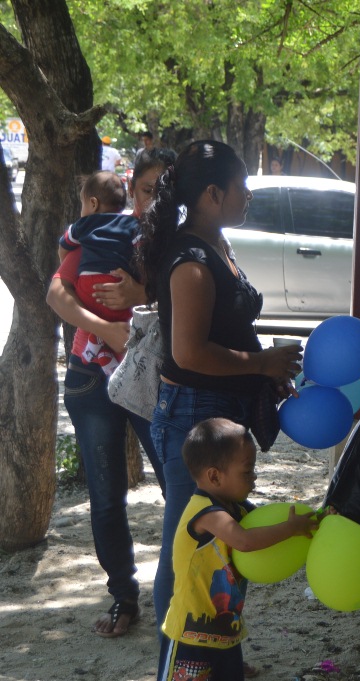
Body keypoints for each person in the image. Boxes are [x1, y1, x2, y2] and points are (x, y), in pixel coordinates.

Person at [137, 140, 302, 666]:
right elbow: (189, 353)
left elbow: (227, 329)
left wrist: (265, 369)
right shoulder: (190, 261)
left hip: (219, 409)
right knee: (186, 551)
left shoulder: (216, 244)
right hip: (193, 413)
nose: (249, 194)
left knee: (219, 547)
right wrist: (260, 365)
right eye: (242, 186)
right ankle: (179, 665)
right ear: (212, 194)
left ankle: (212, 654)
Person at [46, 148, 176, 639]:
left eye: (165, 192)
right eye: (146, 191)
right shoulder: (108, 231)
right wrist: (107, 327)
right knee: (105, 497)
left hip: (151, 377)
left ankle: (184, 599)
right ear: (132, 190)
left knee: (177, 488)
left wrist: (141, 296)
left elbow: (197, 300)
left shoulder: (178, 241)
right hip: (92, 376)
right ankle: (124, 597)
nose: (153, 202)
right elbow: (57, 293)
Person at [160, 418, 317, 680]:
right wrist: (291, 528)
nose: (254, 478)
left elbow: (270, 524)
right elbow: (245, 541)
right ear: (214, 476)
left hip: (226, 633)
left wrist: (315, 520)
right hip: (190, 636)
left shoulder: (238, 507)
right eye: (247, 471)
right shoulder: (205, 512)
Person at [57, 170, 135, 375]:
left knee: (96, 311)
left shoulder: (83, 225)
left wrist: (66, 259)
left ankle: (98, 345)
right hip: (117, 280)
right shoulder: (131, 224)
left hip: (88, 285)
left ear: (93, 203)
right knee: (117, 311)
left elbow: (64, 244)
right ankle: (101, 346)